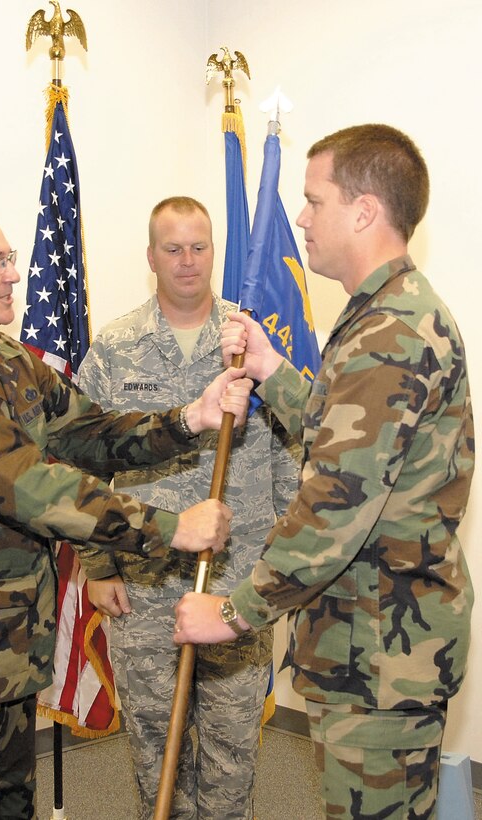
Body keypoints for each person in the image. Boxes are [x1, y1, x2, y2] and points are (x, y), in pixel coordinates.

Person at [0, 201, 253, 820]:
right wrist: (168, 528)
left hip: (10, 649)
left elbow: (89, 435)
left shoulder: (10, 361)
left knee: (13, 806)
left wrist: (188, 420)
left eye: (10, 259)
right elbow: (28, 486)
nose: (12, 275)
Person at [173, 125, 475, 819]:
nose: (301, 219)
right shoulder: (385, 315)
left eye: (314, 201)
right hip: (375, 646)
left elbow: (336, 503)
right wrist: (272, 370)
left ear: (364, 210)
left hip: (379, 654)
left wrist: (232, 612)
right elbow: (350, 439)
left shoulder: (390, 332)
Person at [76, 196, 300, 819]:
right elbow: (80, 462)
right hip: (145, 585)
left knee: (232, 757)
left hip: (237, 585)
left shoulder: (249, 345)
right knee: (156, 757)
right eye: (172, 248)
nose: (187, 261)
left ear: (215, 253)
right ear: (151, 256)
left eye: (199, 247)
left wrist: (278, 566)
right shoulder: (115, 349)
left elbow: (289, 456)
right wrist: (98, 566)